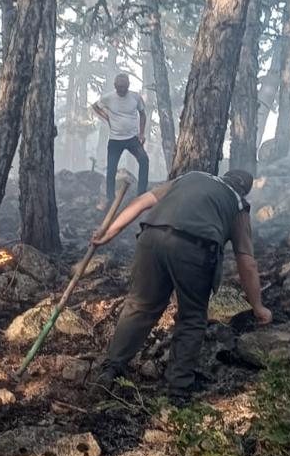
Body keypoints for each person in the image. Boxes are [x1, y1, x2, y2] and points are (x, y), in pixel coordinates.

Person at [90, 169, 272, 404]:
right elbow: (247, 262)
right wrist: (258, 307)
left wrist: (109, 233)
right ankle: (178, 390)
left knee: (140, 306)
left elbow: (142, 201)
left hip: (151, 237)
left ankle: (111, 369)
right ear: (244, 190)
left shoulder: (190, 177)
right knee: (192, 317)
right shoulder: (237, 203)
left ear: (224, 176)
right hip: (194, 248)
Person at [93, 73, 149, 204]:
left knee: (144, 160)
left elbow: (143, 114)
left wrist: (141, 134)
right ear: (115, 86)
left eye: (124, 87)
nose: (122, 89)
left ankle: (141, 193)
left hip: (132, 139)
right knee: (111, 169)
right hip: (115, 140)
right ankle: (110, 197)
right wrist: (105, 116)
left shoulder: (135, 97)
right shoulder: (109, 98)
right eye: (119, 87)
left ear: (128, 85)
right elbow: (95, 106)